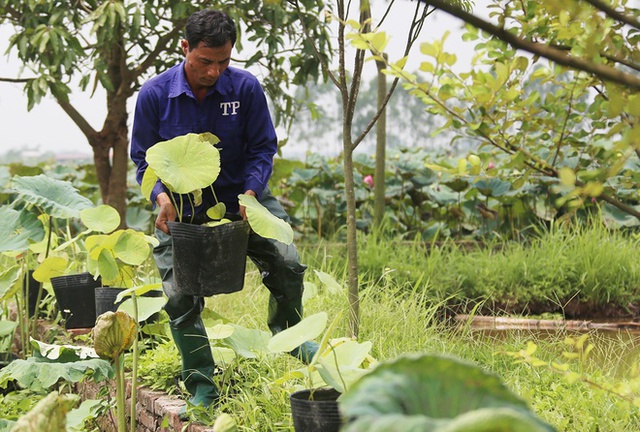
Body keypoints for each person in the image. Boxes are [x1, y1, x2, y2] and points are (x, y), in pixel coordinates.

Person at [130, 9, 317, 419]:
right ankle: (200, 382)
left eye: (223, 62)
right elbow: (143, 160)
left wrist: (251, 193)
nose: (214, 71)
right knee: (179, 294)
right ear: (185, 49)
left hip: (242, 195)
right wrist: (160, 196)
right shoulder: (155, 94)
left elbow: (263, 148)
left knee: (287, 261)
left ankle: (288, 331)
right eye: (204, 62)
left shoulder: (245, 88)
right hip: (179, 205)